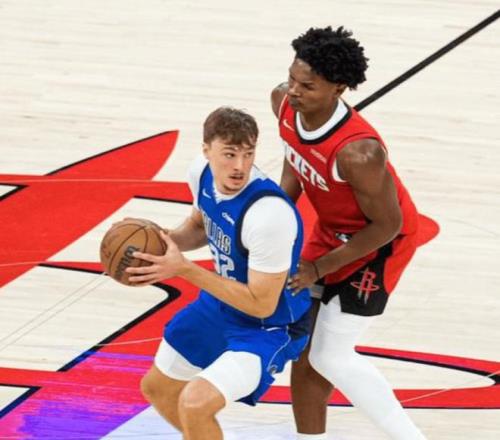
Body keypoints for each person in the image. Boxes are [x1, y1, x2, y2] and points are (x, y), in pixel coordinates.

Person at [271, 26, 427, 439]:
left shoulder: (358, 152)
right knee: (306, 352)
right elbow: (294, 156)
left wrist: (318, 268)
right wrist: (272, 215)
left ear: (339, 88)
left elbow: (388, 225)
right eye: (291, 78)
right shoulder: (283, 103)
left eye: (307, 86)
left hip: (380, 244)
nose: (293, 91)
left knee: (330, 356)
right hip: (333, 231)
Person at [125, 107, 311, 440]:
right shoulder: (201, 173)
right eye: (229, 154)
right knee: (158, 388)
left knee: (195, 404)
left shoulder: (269, 215)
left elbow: (261, 303)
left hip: (269, 326)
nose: (239, 166)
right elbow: (200, 226)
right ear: (206, 150)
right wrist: (162, 242)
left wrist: (184, 269)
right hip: (221, 305)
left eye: (248, 154)